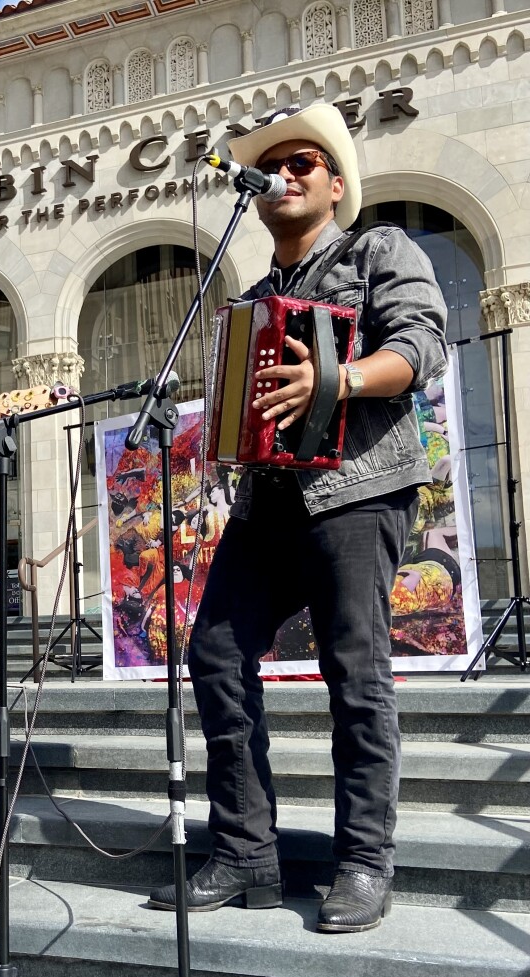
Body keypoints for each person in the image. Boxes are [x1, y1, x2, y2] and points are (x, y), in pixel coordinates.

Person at [148, 104, 448, 931]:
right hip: (269, 501)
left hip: (357, 488)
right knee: (214, 650)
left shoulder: (378, 249)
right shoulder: (250, 299)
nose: (285, 173)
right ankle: (245, 847)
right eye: (273, 164)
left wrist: (337, 380)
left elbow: (423, 346)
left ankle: (363, 859)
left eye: (304, 162)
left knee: (356, 672)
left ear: (336, 183)